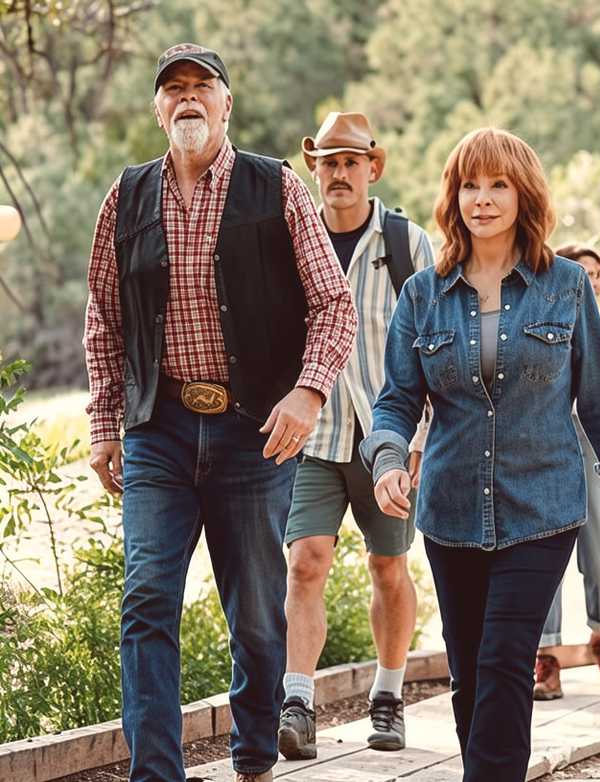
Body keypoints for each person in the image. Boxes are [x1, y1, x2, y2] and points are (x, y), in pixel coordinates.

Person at [83, 44, 357, 782]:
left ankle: (255, 748)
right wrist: (105, 423)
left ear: (227, 103)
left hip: (253, 433)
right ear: (158, 109)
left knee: (259, 612)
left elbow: (334, 304)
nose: (189, 99)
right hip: (158, 431)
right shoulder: (127, 196)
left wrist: (309, 391)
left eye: (203, 86)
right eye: (174, 89)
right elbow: (104, 320)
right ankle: (157, 774)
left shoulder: (278, 187)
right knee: (145, 597)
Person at [364, 127, 600, 782]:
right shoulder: (423, 295)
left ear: (524, 196)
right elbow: (396, 399)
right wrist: (385, 458)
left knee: (502, 661)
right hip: (451, 510)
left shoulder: (566, 286)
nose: (484, 199)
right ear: (453, 195)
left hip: (543, 509)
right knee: (469, 674)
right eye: (471, 184)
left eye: (499, 185)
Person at [276, 112, 435, 760]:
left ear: (374, 167)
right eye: (328, 162)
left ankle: (388, 695)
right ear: (313, 169)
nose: (338, 174)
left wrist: (422, 439)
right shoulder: (288, 242)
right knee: (305, 561)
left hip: (388, 438)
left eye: (351, 162)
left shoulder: (407, 244)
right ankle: (297, 701)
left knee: (388, 567)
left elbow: (435, 341)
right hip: (311, 437)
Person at [533, 243, 600, 701]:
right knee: (544, 558)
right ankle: (547, 657)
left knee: (599, 555)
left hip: (596, 442)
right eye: (580, 271)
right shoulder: (541, 313)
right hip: (550, 442)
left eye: (596, 273)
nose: (589, 278)